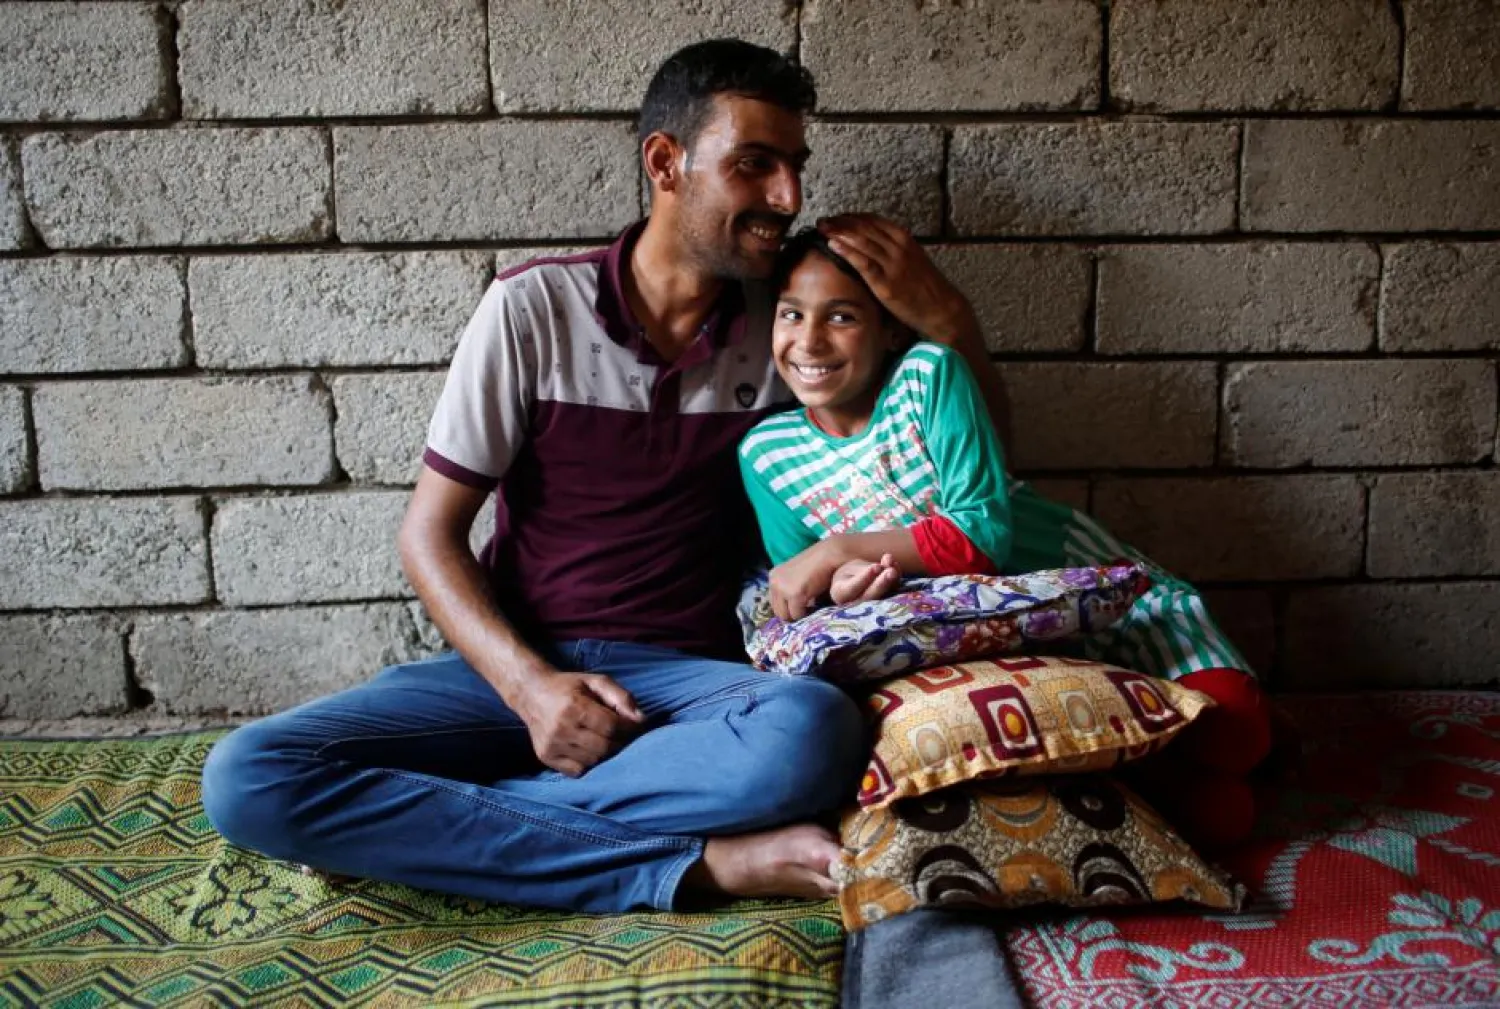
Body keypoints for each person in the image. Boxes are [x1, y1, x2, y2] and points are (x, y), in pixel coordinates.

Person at [199, 39, 1002, 913]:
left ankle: (455, 828)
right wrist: (531, 690)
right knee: (248, 776)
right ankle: (693, 862)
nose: (790, 197)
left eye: (795, 167)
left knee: (812, 734)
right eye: (755, 165)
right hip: (509, 677)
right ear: (666, 163)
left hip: (691, 689)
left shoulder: (792, 332)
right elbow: (429, 535)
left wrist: (949, 318)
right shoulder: (533, 310)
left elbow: (963, 468)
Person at [739, 230, 1274, 849]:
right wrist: (846, 587)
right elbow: (807, 594)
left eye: (842, 316)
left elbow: (979, 535)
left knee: (1235, 729)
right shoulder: (766, 454)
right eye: (791, 315)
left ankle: (1235, 741)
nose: (809, 341)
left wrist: (838, 550)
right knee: (1212, 814)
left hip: (1104, 596)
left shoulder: (927, 376)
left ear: (888, 330)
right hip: (975, 640)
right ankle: (1167, 781)